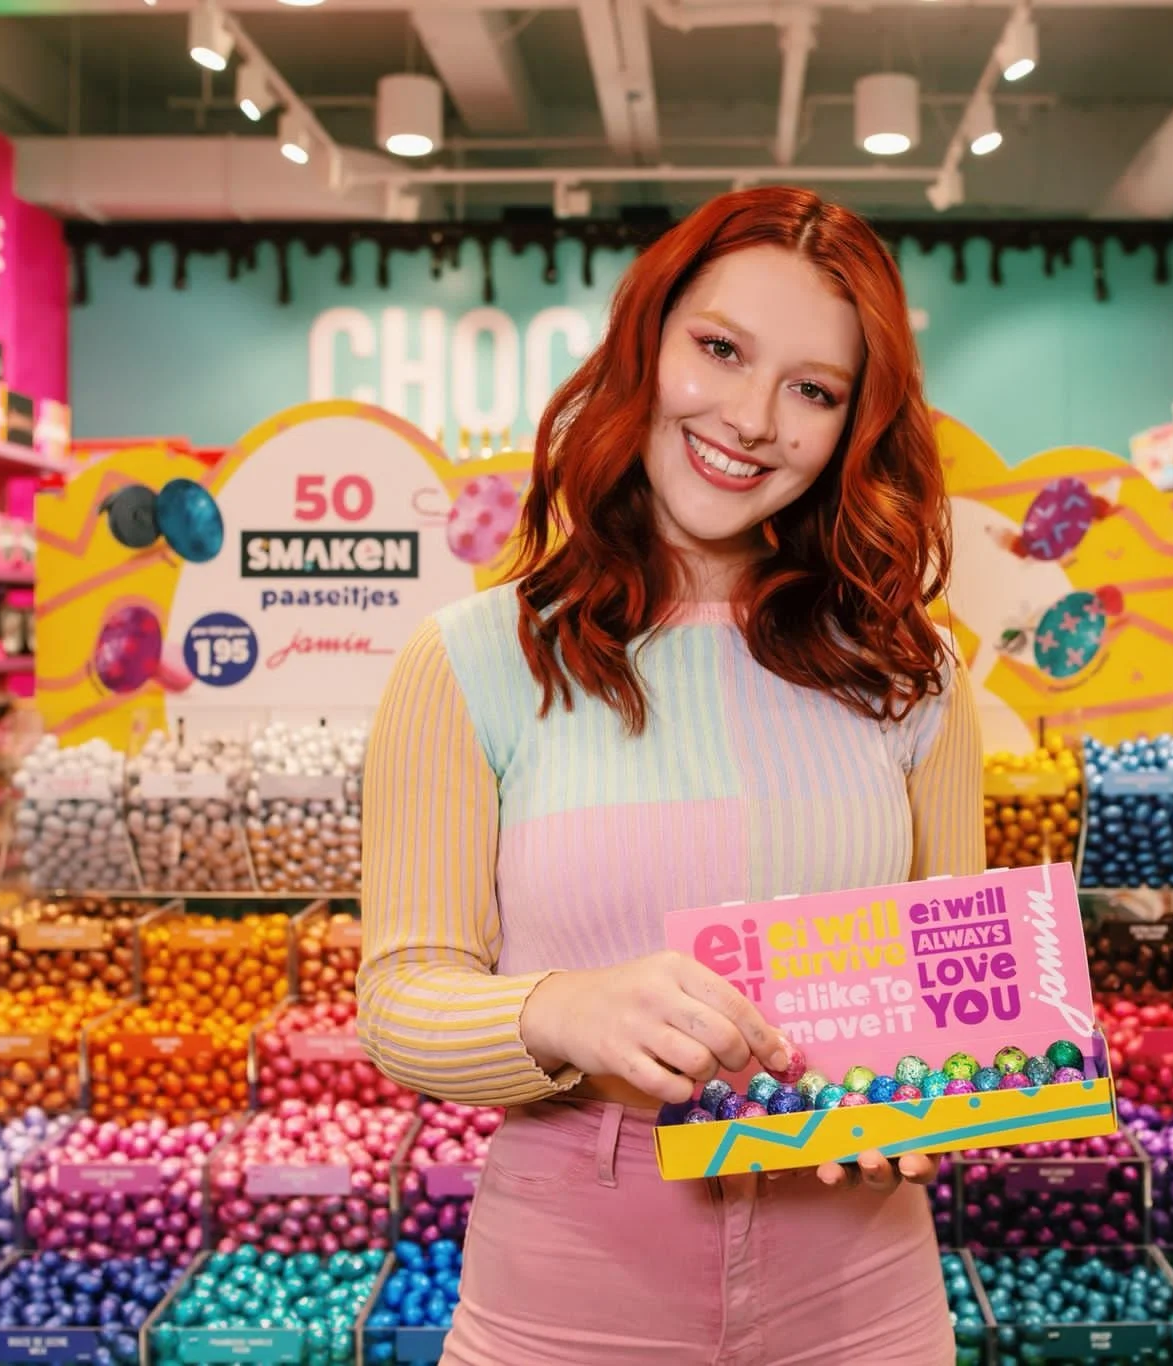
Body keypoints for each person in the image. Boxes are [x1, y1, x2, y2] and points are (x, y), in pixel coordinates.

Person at [358, 186, 983, 1365]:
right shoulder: (471, 662)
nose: (751, 419)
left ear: (854, 426)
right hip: (564, 1296)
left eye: (813, 389)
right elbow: (397, 1003)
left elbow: (955, 989)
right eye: (718, 349)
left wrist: (940, 1099)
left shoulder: (916, 674)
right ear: (645, 342)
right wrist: (562, 1008)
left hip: (863, 1298)